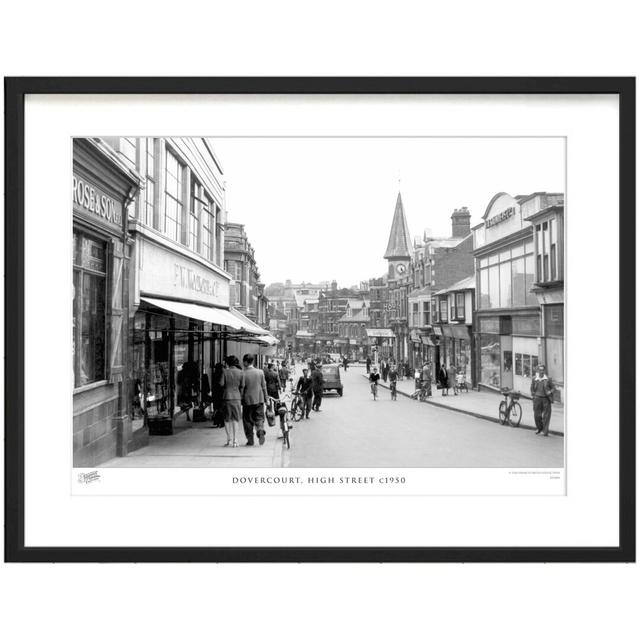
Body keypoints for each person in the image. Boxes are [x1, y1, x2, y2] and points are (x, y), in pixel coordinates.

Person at [241, 353, 268, 446]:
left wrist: (241, 398)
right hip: (259, 399)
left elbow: (242, 387)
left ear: (245, 362)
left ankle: (250, 440)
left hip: (247, 400)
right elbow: (264, 387)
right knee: (259, 417)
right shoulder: (260, 372)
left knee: (247, 420)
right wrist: (267, 399)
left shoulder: (243, 373)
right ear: (253, 361)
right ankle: (260, 430)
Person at [221, 356, 244, 447]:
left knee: (227, 419)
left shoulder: (225, 371)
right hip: (237, 397)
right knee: (236, 419)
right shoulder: (241, 372)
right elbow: (242, 385)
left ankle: (229, 439)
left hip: (226, 397)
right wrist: (240, 395)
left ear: (228, 363)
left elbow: (221, 383)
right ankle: (235, 440)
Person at [530, 364, 555, 436]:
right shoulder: (534, 378)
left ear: (545, 370)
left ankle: (545, 431)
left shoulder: (548, 379)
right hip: (537, 399)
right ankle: (539, 428)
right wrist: (533, 395)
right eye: (540, 370)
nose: (541, 371)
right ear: (538, 370)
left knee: (546, 416)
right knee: (537, 416)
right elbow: (531, 388)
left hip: (546, 399)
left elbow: (553, 388)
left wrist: (550, 392)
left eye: (543, 370)